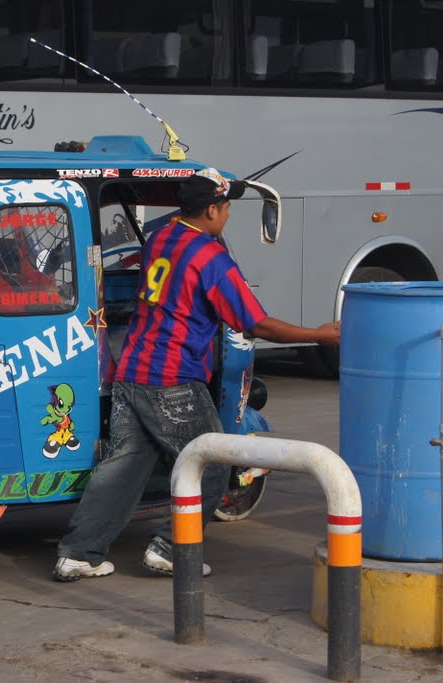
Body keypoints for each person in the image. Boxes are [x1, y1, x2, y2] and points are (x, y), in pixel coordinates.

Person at [53, 168, 341, 581]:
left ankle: (79, 552)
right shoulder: (211, 259)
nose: (227, 216)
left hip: (132, 371)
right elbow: (255, 325)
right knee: (214, 463)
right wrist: (318, 336)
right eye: (226, 209)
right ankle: (170, 548)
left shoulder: (161, 238)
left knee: (123, 469)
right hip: (173, 379)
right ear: (211, 210)